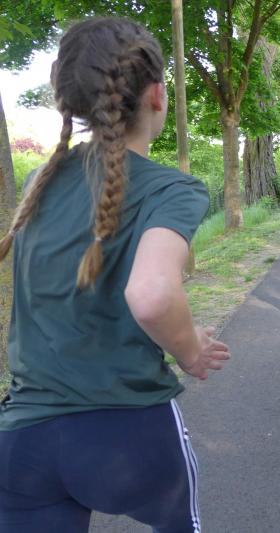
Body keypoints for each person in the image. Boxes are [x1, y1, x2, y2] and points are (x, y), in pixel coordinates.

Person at [0, 18, 231, 531]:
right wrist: (190, 351)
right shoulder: (172, 189)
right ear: (157, 94)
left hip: (24, 438)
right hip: (129, 429)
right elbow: (151, 294)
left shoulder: (40, 180)